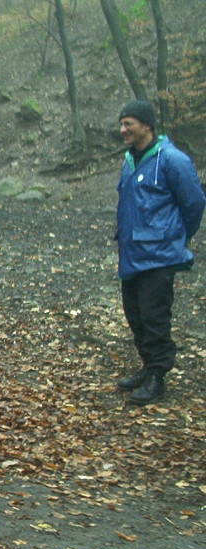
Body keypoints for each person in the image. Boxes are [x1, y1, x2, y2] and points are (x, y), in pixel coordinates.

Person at [113, 99, 204, 405]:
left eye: (129, 123)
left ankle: (157, 376)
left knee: (154, 317)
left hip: (160, 256)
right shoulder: (130, 159)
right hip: (132, 254)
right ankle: (148, 366)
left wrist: (176, 238)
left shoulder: (172, 160)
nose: (123, 129)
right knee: (134, 313)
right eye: (122, 123)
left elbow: (194, 204)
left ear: (147, 125)